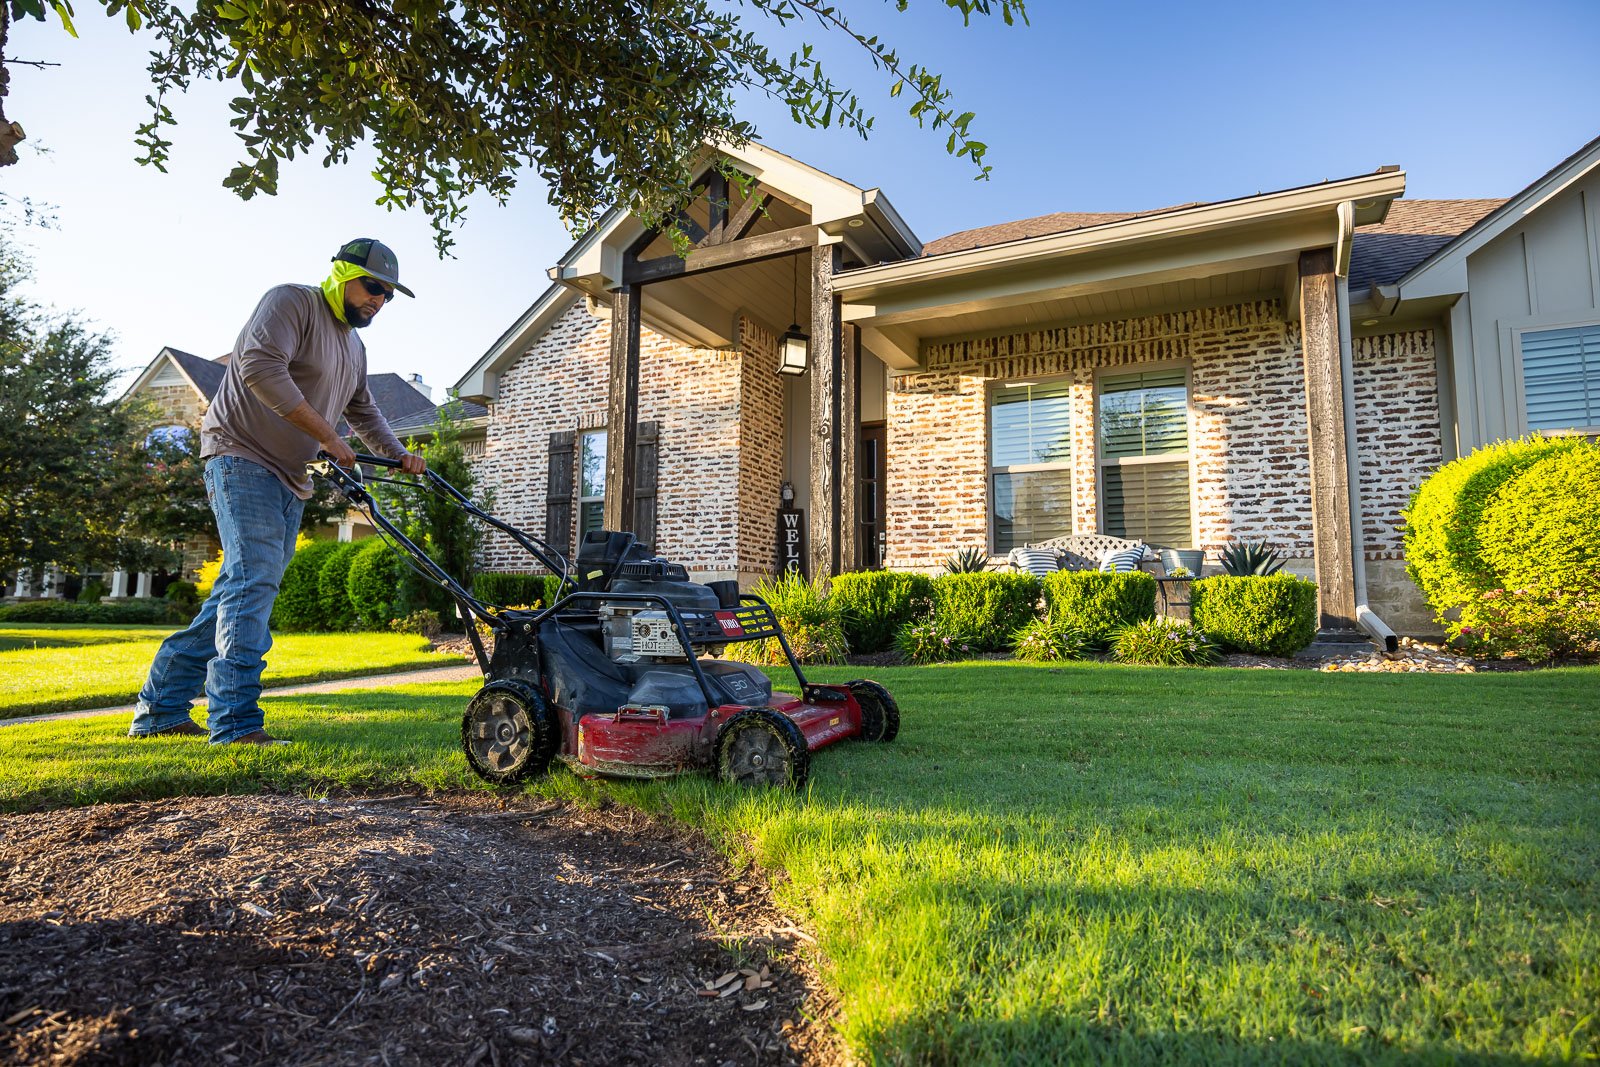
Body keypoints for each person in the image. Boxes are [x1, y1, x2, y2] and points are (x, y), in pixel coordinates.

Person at [128, 238, 428, 745]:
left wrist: (399, 454)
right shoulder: (291, 302)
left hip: (291, 475)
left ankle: (159, 709)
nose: (380, 300)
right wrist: (329, 437)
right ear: (341, 275)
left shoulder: (354, 348)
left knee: (240, 587)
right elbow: (260, 368)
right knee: (253, 583)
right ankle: (236, 723)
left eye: (389, 295)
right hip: (240, 455)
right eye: (373, 287)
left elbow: (363, 410)